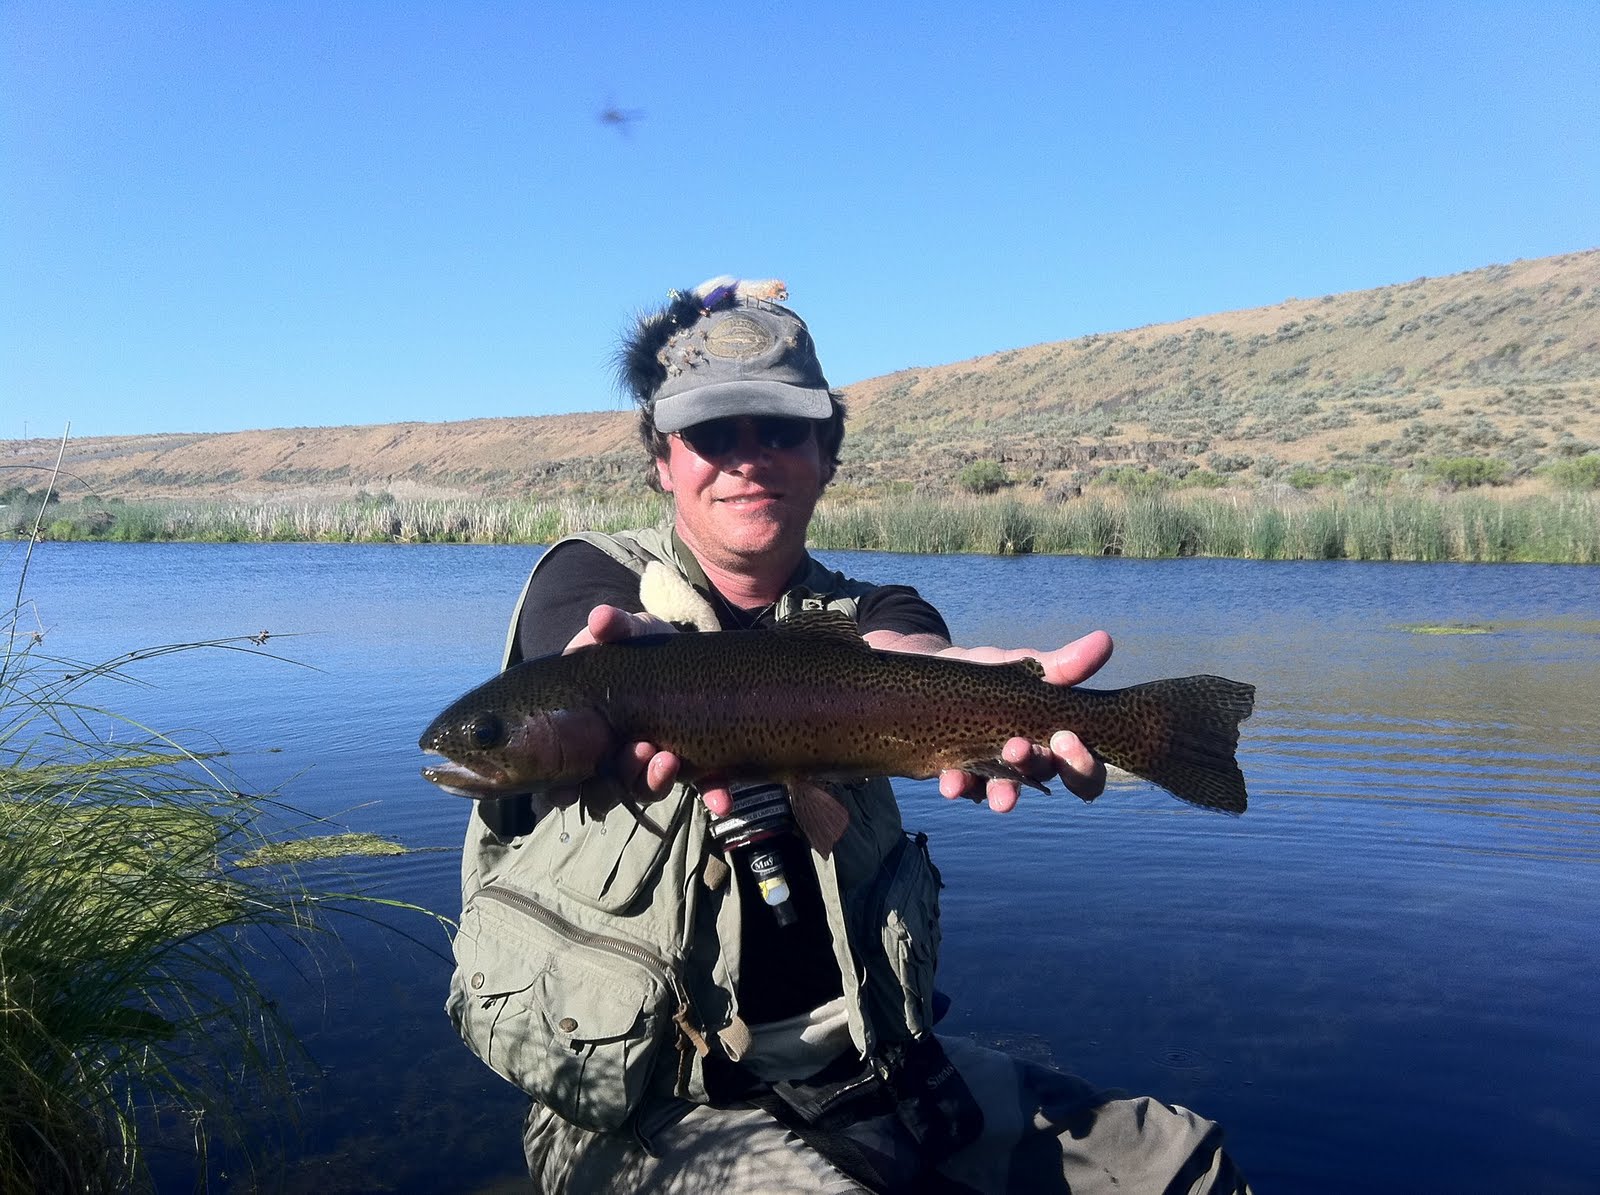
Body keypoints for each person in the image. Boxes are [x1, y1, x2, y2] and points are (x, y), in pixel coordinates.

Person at [447, 277, 1250, 1193]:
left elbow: (905, 645)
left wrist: (992, 699)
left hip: (867, 1065)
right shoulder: (586, 587)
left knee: (1189, 1168)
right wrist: (647, 663)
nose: (747, 457)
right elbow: (584, 644)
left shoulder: (875, 609)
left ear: (826, 454)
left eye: (781, 429)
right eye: (711, 433)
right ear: (662, 460)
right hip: (650, 1101)